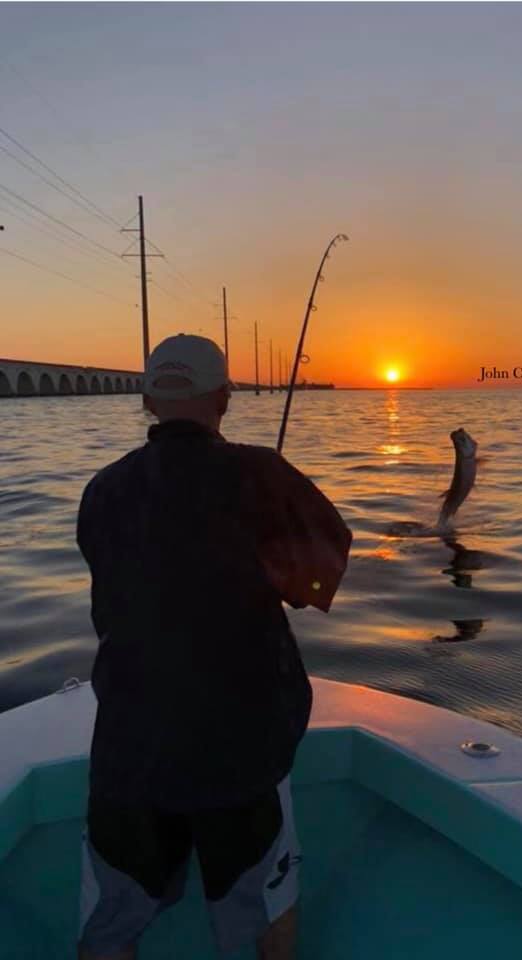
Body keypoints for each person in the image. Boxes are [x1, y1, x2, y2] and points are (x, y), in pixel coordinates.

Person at [75, 334, 352, 960]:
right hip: (241, 752)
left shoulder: (101, 490)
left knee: (111, 924)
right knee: (263, 916)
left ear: (148, 400)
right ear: (224, 396)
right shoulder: (263, 474)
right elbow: (320, 578)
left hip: (130, 748)